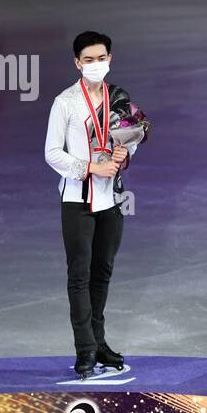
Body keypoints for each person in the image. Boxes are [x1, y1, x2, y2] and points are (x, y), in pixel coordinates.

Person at [43, 31, 139, 379]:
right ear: (77, 63)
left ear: (110, 59)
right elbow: (51, 153)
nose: (95, 65)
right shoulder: (65, 102)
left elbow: (130, 136)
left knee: (102, 274)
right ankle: (84, 350)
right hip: (77, 201)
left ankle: (98, 342)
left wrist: (125, 152)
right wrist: (90, 168)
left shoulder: (118, 98)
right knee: (79, 277)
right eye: (88, 60)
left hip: (111, 199)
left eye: (101, 58)